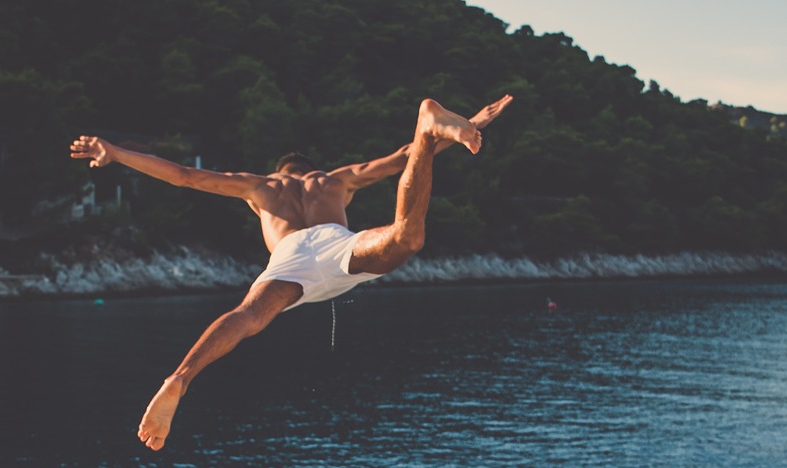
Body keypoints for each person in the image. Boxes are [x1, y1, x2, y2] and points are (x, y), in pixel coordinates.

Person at [70, 94, 513, 450]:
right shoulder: (337, 180)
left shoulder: (260, 186)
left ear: (281, 171)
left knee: (249, 317)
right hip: (336, 242)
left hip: (288, 258)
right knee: (404, 238)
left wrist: (116, 153)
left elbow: (184, 175)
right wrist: (468, 126)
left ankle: (180, 378)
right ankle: (426, 118)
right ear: (309, 170)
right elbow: (404, 157)